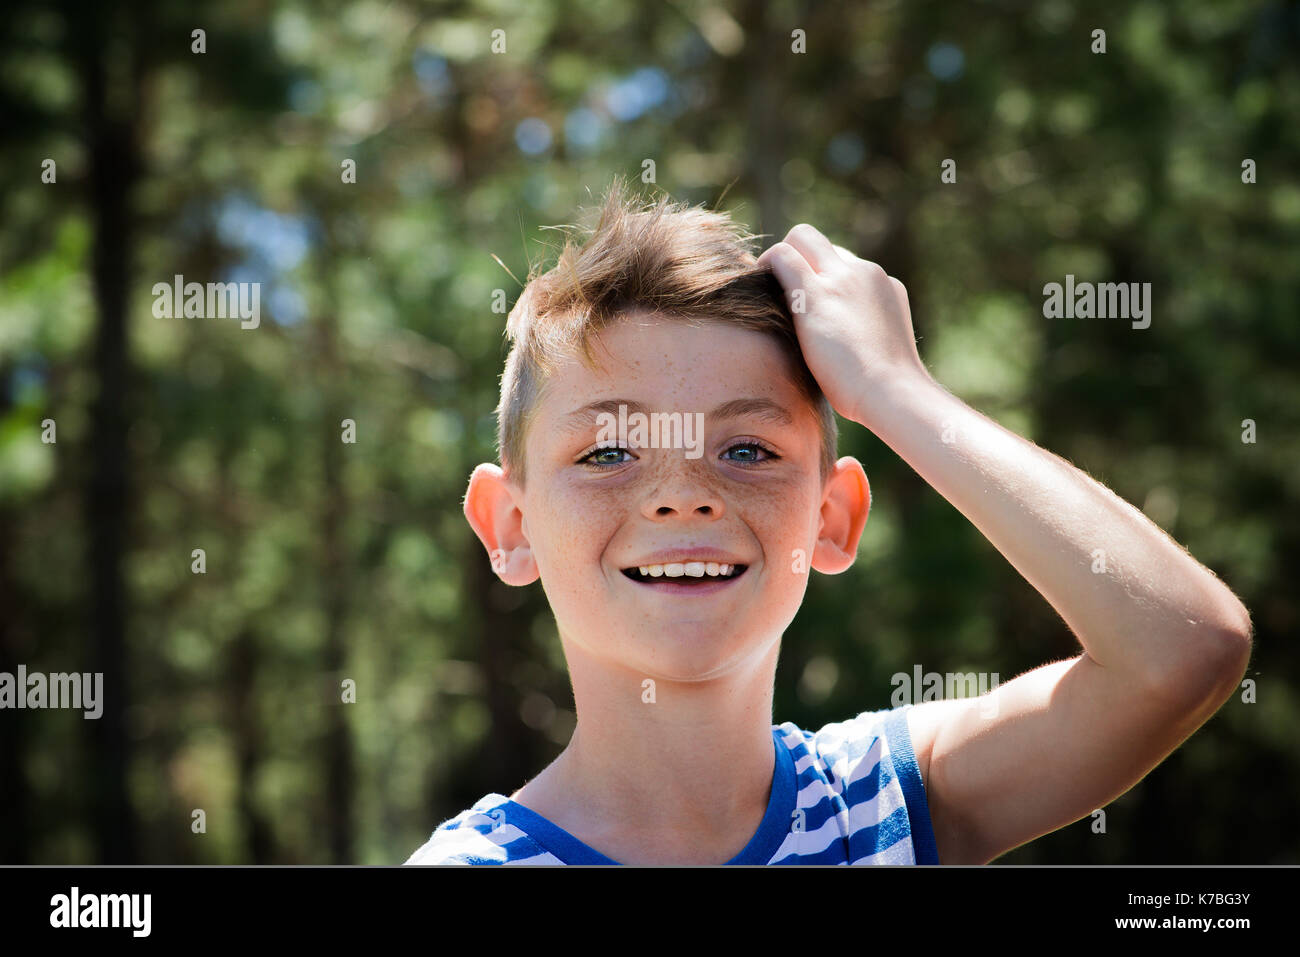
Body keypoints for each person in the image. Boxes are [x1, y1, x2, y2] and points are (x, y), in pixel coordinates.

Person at [405, 177, 1252, 865]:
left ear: (834, 517)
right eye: (606, 453)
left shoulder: (891, 797)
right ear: (509, 523)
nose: (682, 495)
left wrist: (896, 389)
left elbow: (1183, 653)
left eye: (746, 450)